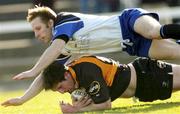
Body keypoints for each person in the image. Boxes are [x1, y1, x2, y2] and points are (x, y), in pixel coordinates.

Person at [3, 6, 180, 107]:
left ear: (50, 23)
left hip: (128, 21)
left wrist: (33, 70)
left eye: (38, 28)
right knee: (175, 52)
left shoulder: (64, 21)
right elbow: (46, 75)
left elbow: (54, 49)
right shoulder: (64, 46)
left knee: (154, 31)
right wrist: (22, 99)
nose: (36, 34)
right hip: (133, 45)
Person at [3, 55, 180, 113]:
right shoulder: (72, 73)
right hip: (143, 84)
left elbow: (105, 104)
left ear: (66, 75)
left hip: (148, 77)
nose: (62, 92)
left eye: (60, 87)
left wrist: (76, 110)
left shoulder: (85, 72)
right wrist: (22, 99)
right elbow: (46, 75)